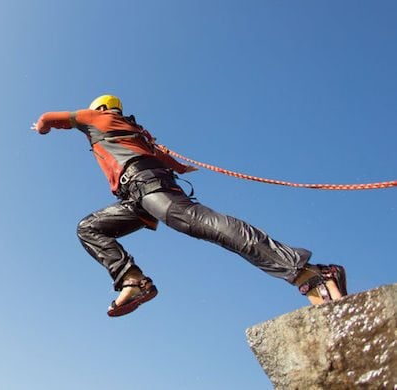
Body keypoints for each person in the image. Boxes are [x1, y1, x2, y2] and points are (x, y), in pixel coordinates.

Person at [32, 94, 347, 317]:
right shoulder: (138, 132)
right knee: (89, 227)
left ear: (99, 108)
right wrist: (182, 169)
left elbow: (50, 118)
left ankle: (309, 273)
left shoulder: (94, 117)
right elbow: (172, 163)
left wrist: (41, 127)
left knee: (211, 227)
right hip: (139, 196)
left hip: (147, 189)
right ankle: (134, 281)